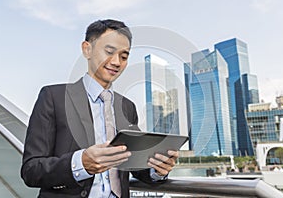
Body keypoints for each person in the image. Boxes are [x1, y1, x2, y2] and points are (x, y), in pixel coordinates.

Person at [21, 19, 179, 198]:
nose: (117, 62)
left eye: (124, 56)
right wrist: (80, 163)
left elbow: (132, 164)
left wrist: (157, 169)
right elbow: (31, 170)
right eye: (109, 51)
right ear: (87, 49)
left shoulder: (127, 107)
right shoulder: (53, 97)